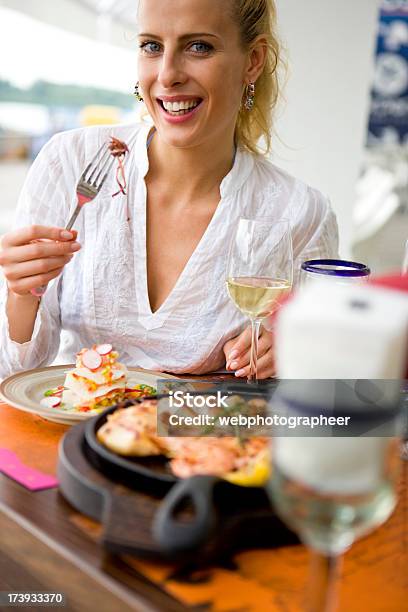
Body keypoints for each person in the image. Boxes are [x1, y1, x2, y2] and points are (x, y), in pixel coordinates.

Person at [0, 0, 338, 380]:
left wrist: (290, 353)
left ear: (253, 61)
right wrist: (20, 291)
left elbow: (318, 384)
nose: (167, 74)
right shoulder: (69, 161)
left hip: (198, 432)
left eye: (199, 47)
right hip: (70, 426)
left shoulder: (300, 213)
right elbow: (16, 371)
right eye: (152, 46)